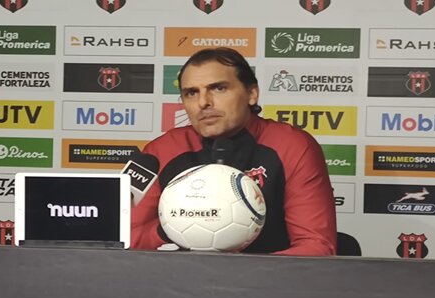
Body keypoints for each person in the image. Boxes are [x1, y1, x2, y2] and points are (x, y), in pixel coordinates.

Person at [131, 47, 336, 256]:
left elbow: (316, 246)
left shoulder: (292, 146)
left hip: (269, 275)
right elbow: (127, 238)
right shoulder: (161, 150)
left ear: (252, 94)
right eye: (191, 93)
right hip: (183, 274)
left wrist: (243, 272)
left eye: (219, 88)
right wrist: (173, 225)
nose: (203, 102)